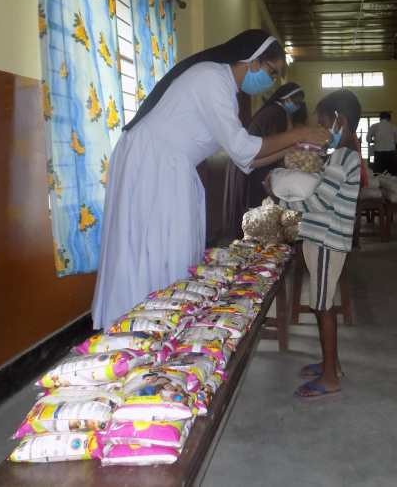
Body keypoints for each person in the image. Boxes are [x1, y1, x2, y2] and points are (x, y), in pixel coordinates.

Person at [91, 30, 329, 329]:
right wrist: (300, 133)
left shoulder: (224, 87)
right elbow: (244, 148)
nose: (270, 82)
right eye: (271, 72)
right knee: (153, 246)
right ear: (253, 62)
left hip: (171, 164)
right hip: (154, 162)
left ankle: (162, 322)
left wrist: (291, 146)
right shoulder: (211, 78)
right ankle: (140, 322)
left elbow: (247, 159)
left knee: (169, 247)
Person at [272, 89, 364, 398]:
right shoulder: (339, 155)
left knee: (323, 307)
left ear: (339, 121)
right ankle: (331, 363)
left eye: (323, 123)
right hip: (321, 237)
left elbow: (320, 202)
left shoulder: (343, 156)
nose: (321, 130)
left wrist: (283, 200)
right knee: (320, 303)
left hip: (327, 240)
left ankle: (329, 377)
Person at [223, 83, 305, 237]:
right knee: (255, 217)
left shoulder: (277, 112)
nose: (298, 105)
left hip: (252, 162)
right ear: (286, 98)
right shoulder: (276, 113)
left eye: (300, 103)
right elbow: (271, 146)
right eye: (296, 101)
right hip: (251, 166)